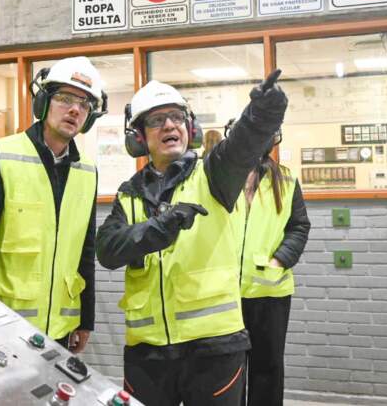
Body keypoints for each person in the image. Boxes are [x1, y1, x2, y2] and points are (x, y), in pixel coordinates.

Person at [96, 71, 288, 406]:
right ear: (139, 137)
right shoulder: (129, 194)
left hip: (213, 350)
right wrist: (162, 227)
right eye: (156, 120)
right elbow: (108, 250)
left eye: (176, 117)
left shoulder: (215, 173)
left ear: (190, 127)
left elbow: (245, 142)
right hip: (148, 352)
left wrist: (264, 112)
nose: (169, 126)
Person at [0, 56, 107, 354]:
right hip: (7, 325)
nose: (75, 109)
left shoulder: (87, 171)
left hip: (62, 329)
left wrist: (85, 319)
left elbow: (84, 251)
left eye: (84, 104)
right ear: (43, 102)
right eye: (65, 98)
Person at [229, 123, 310, 406]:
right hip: (224, 293)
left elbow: (299, 226)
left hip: (270, 292)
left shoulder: (286, 180)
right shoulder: (222, 178)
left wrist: (280, 260)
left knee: (268, 367)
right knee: (228, 370)